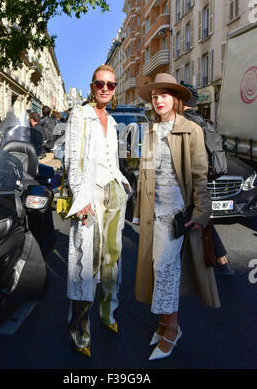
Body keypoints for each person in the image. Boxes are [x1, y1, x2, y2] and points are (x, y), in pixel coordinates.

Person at [133, 73, 220, 361]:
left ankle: (172, 329)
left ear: (176, 99)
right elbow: (143, 179)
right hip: (151, 215)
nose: (158, 100)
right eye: (155, 95)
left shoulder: (190, 130)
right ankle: (163, 322)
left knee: (164, 269)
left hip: (175, 216)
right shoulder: (148, 132)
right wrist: (137, 211)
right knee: (154, 269)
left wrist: (201, 212)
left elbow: (200, 176)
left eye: (165, 95)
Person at [64, 64, 130, 357]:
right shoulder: (80, 115)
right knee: (87, 263)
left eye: (110, 85)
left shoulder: (113, 121)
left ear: (115, 89)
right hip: (89, 195)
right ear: (92, 87)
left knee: (112, 258)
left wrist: (123, 182)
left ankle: (108, 313)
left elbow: (112, 159)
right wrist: (80, 198)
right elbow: (72, 159)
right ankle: (79, 329)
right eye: (100, 84)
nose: (105, 88)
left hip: (114, 192)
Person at [182, 86, 234, 275]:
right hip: (206, 175)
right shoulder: (203, 119)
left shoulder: (186, 122)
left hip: (193, 178)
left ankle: (219, 262)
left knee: (198, 219)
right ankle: (221, 261)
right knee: (200, 218)